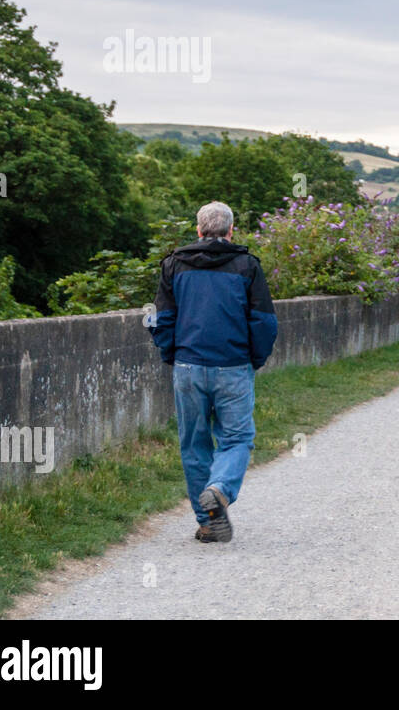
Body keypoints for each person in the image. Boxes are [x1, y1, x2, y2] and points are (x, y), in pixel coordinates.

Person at [148, 201, 278, 543]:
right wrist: (256, 359)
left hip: (189, 368)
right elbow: (264, 321)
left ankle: (208, 522)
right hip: (233, 366)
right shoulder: (247, 266)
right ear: (231, 231)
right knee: (236, 439)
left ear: (198, 230)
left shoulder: (173, 265)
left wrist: (171, 354)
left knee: (194, 444)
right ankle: (220, 488)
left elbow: (159, 319)